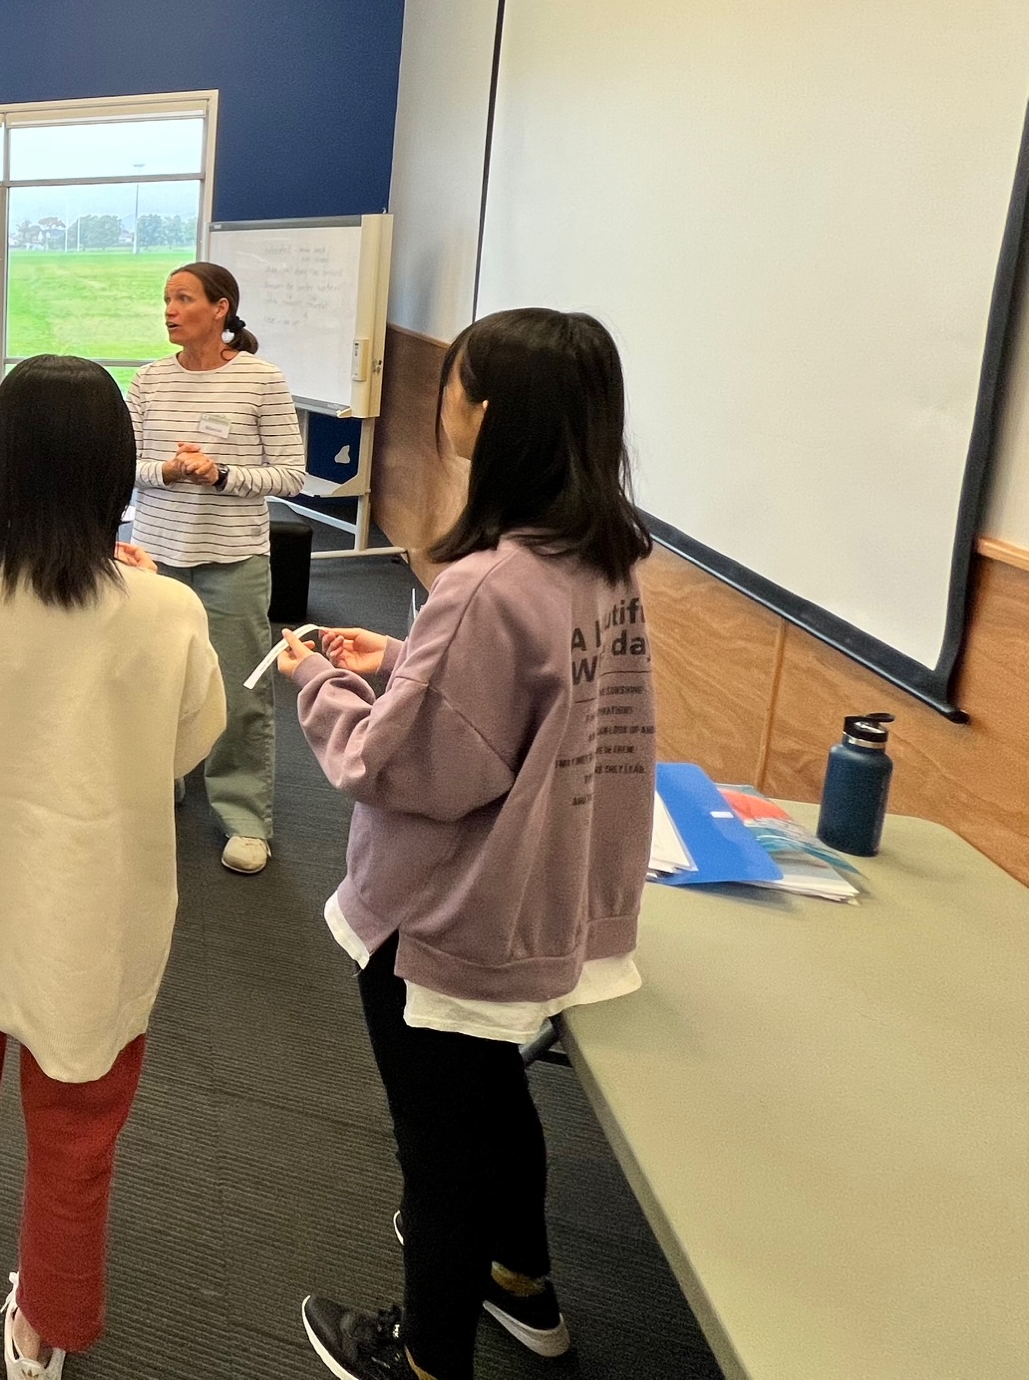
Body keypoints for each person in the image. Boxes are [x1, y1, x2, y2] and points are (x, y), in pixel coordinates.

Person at [278, 308, 657, 1380]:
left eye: (453, 382)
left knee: (437, 1149)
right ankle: (519, 1282)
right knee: (493, 1100)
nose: (441, 400)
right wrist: (410, 658)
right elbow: (522, 708)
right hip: (539, 895)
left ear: (488, 414)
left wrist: (322, 682)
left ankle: (426, 1357)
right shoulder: (602, 559)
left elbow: (399, 768)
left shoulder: (485, 584)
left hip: (447, 916)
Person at [0, 355, 226, 1380]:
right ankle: (40, 1338)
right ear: (113, 473)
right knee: (77, 1141)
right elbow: (187, 744)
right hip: (92, 908)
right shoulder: (164, 612)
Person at [126, 260, 305, 875]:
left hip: (234, 559)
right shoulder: (149, 380)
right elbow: (125, 464)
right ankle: (160, 779)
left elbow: (290, 474)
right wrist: (169, 470)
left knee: (239, 688)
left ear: (220, 308)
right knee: (154, 681)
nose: (170, 311)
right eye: (166, 299)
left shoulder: (261, 379)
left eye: (183, 299)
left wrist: (221, 474)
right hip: (153, 557)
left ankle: (244, 816)